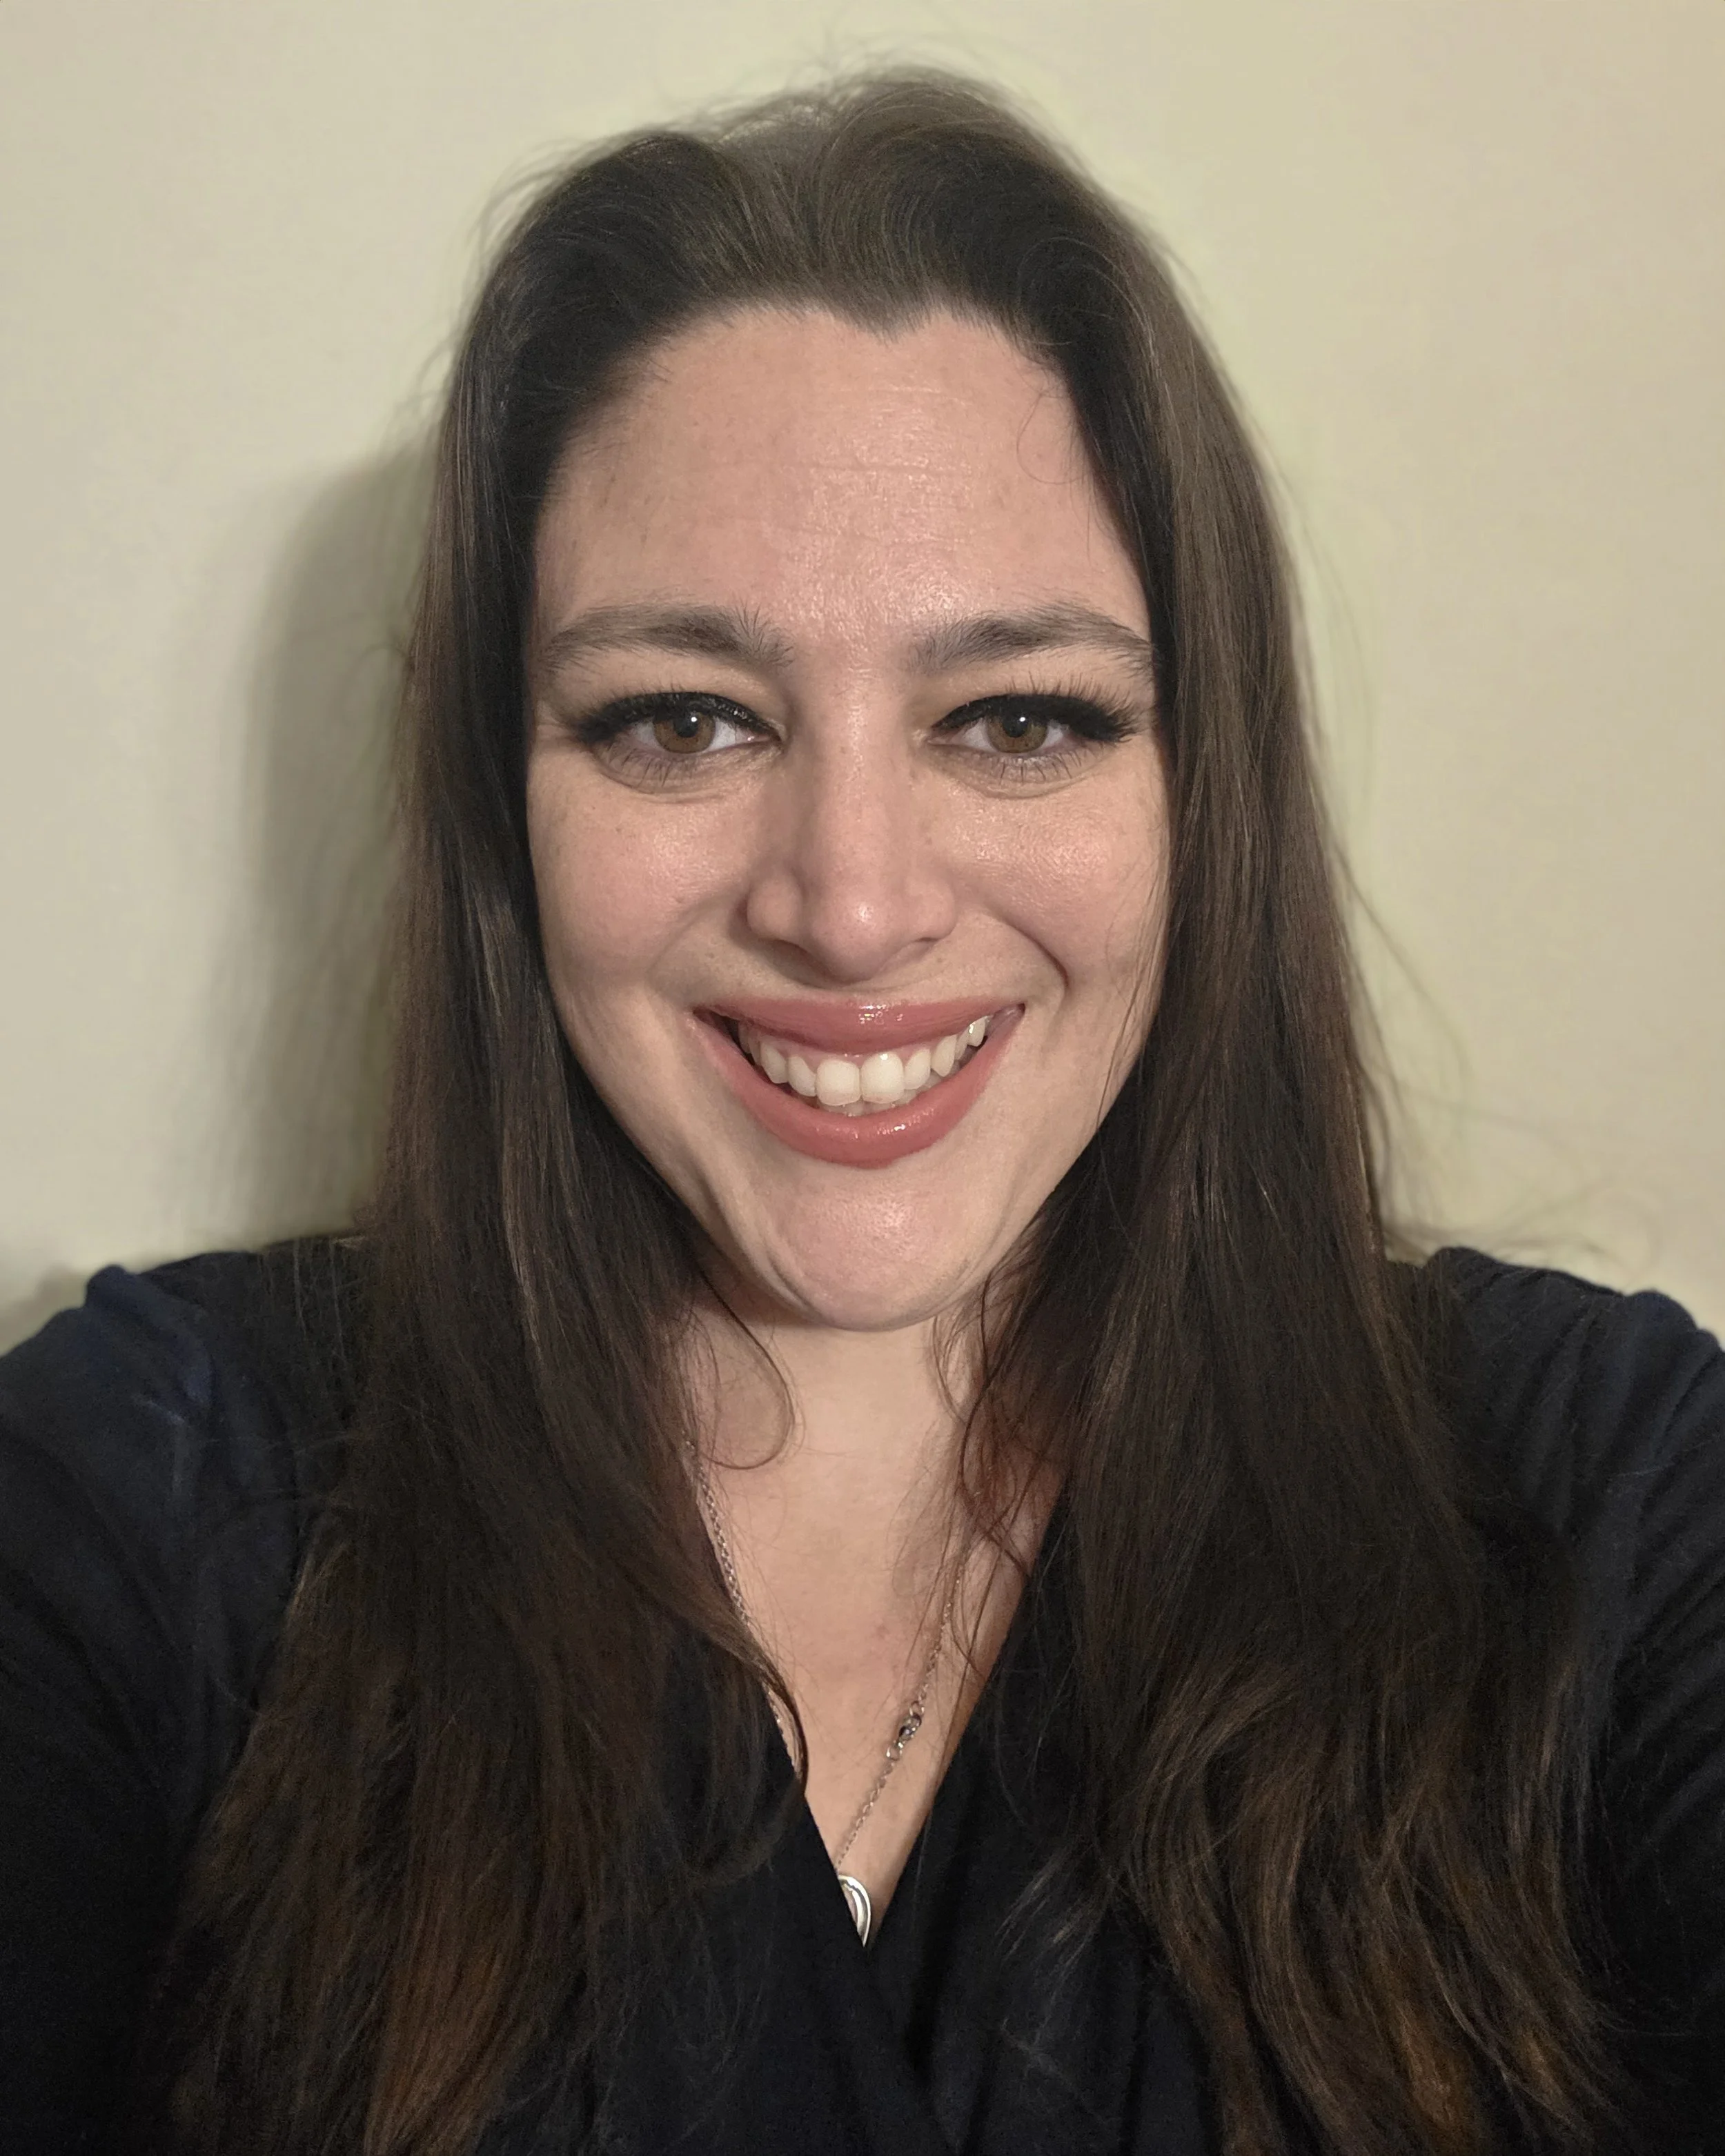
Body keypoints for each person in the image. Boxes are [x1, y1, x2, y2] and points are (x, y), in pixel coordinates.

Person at [1, 68, 1722, 2156]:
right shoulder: (152, 1504)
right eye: (684, 716)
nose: (853, 903)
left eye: (1016, 718)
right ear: (504, 807)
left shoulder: (1598, 1509)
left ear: (1203, 793)